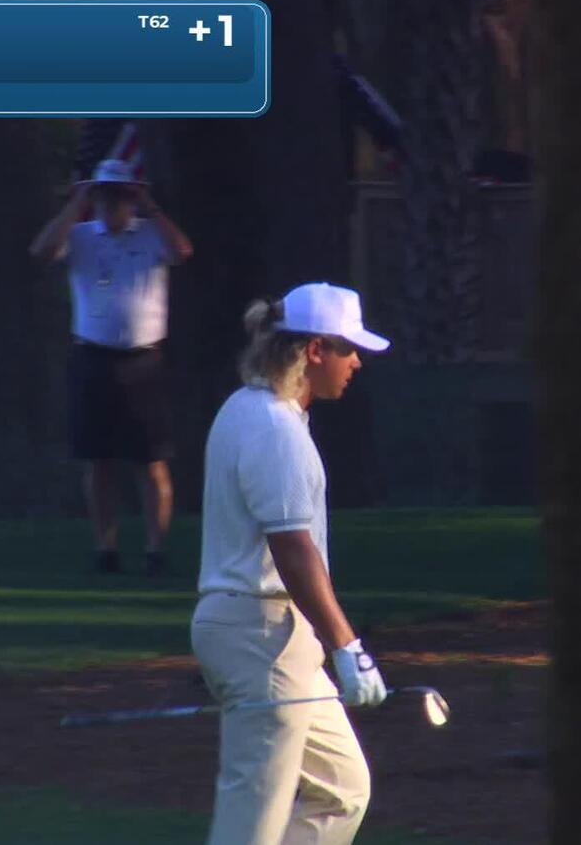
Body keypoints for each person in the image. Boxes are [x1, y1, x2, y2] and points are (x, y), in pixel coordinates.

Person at [192, 282, 392, 845]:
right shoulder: (275, 429)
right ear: (313, 350)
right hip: (259, 634)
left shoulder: (250, 408)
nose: (356, 361)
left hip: (274, 638)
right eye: (348, 348)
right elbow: (293, 551)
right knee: (251, 820)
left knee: (343, 788)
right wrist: (348, 647)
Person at [29, 158, 194, 576]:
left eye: (120, 195)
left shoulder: (151, 235)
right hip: (94, 357)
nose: (111, 203)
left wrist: (149, 205)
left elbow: (183, 250)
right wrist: (76, 203)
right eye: (104, 195)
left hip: (144, 360)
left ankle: (155, 548)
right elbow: (42, 250)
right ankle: (106, 546)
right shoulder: (81, 236)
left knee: (150, 460)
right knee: (97, 459)